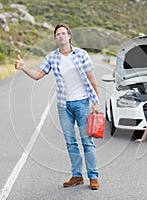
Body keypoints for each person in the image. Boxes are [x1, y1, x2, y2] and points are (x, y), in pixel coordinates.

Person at [14, 24, 100, 190]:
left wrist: (95, 102)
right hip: (63, 105)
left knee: (87, 142)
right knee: (70, 142)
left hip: (82, 102)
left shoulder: (81, 54)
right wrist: (24, 68)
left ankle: (93, 177)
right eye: (57, 34)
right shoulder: (52, 57)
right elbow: (38, 75)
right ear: (55, 38)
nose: (60, 36)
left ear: (69, 36)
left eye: (63, 33)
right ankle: (77, 176)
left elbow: (92, 79)